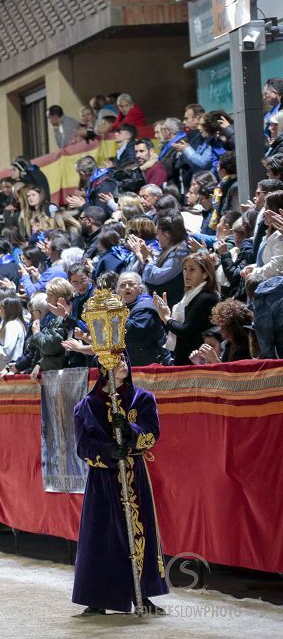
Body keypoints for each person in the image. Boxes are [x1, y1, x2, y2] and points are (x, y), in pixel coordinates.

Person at [72, 353, 168, 616]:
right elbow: (83, 447)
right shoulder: (87, 406)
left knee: (139, 532)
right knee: (102, 535)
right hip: (103, 480)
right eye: (115, 361)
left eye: (124, 359)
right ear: (102, 367)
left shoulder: (142, 399)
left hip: (135, 476)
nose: (122, 364)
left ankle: (143, 594)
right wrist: (108, 451)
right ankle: (98, 597)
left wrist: (128, 430)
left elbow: (151, 435)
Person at [152, 252, 219, 366]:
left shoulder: (206, 297)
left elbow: (185, 331)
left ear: (205, 274)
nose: (186, 274)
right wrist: (163, 315)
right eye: (185, 269)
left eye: (192, 269)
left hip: (197, 360)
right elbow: (174, 330)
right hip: (183, 357)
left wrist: (167, 318)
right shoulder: (187, 298)